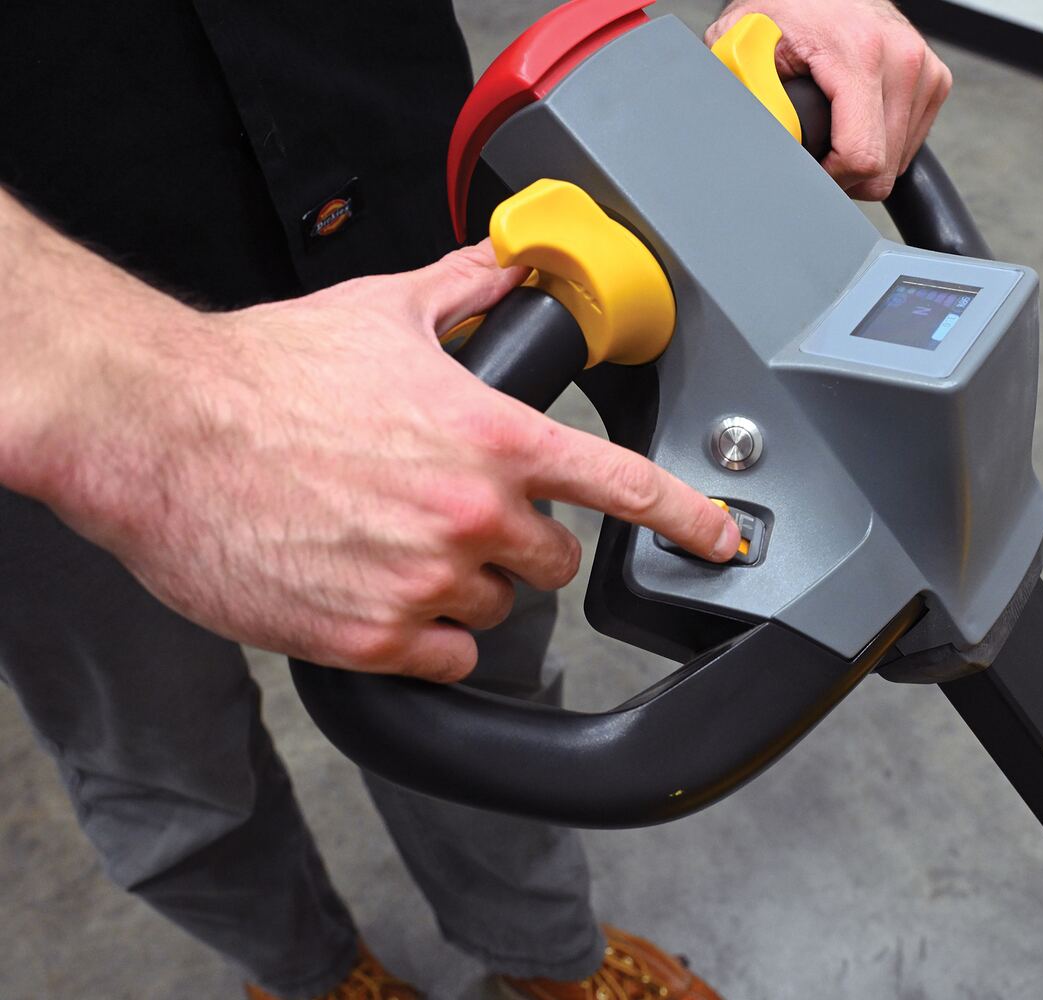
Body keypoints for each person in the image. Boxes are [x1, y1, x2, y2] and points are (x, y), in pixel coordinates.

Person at [0, 1, 952, 997]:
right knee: (159, 756)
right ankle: (306, 974)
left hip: (392, 229)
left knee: (473, 679)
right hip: (45, 377)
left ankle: (543, 954)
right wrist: (150, 416)